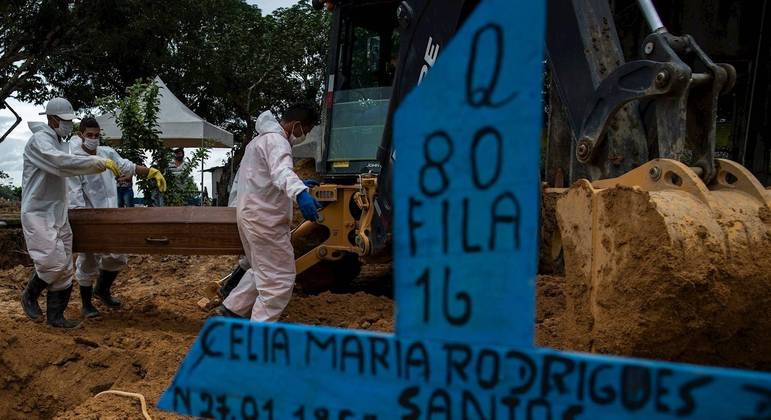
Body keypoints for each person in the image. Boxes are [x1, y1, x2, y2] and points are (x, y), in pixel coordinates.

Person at [20, 98, 122, 328]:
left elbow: (67, 159)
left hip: (57, 211)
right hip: (38, 211)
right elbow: (61, 164)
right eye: (64, 120)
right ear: (51, 118)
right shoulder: (40, 141)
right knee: (52, 263)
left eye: (69, 120)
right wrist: (97, 163)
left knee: (65, 267)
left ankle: (56, 317)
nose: (68, 125)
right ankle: (29, 295)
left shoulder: (59, 142)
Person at [218, 104, 321, 321]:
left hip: (249, 216)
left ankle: (231, 311)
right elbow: (281, 171)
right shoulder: (277, 141)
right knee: (279, 280)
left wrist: (298, 183)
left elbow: (261, 179)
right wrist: (300, 192)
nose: (305, 135)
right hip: (266, 221)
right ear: (297, 125)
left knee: (261, 269)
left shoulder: (258, 141)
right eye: (308, 129)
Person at [68, 117, 167, 318]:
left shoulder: (107, 153)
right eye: (89, 135)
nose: (93, 139)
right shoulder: (74, 160)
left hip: (110, 216)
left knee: (117, 256)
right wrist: (81, 221)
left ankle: (102, 290)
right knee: (88, 259)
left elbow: (127, 167)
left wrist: (151, 172)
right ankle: (86, 304)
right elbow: (74, 195)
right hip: (88, 217)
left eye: (97, 135)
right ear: (81, 135)